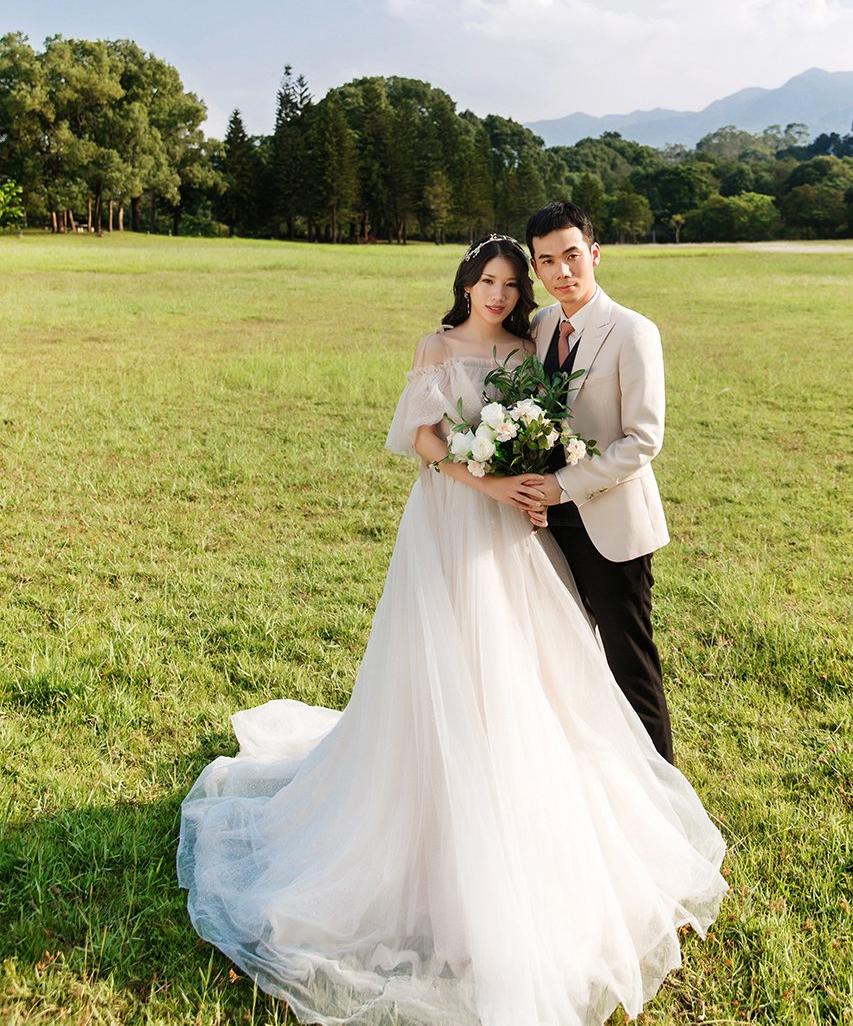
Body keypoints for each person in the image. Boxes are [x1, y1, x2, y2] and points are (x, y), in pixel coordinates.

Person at [177, 235, 726, 1026]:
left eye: (511, 283)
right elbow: (423, 438)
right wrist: (486, 481)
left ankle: (551, 800)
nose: (500, 294)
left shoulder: (528, 348)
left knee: (522, 663)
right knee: (439, 656)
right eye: (488, 280)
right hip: (449, 517)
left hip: (515, 529)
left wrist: (529, 482)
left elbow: (555, 428)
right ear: (466, 284)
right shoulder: (436, 346)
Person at [525, 202, 674, 763]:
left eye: (571, 256)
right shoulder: (540, 326)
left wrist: (563, 485)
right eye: (547, 261)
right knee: (564, 653)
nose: (561, 271)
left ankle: (661, 787)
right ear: (536, 268)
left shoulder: (633, 331)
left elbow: (642, 440)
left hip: (611, 522)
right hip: (545, 523)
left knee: (628, 661)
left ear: (594, 253)